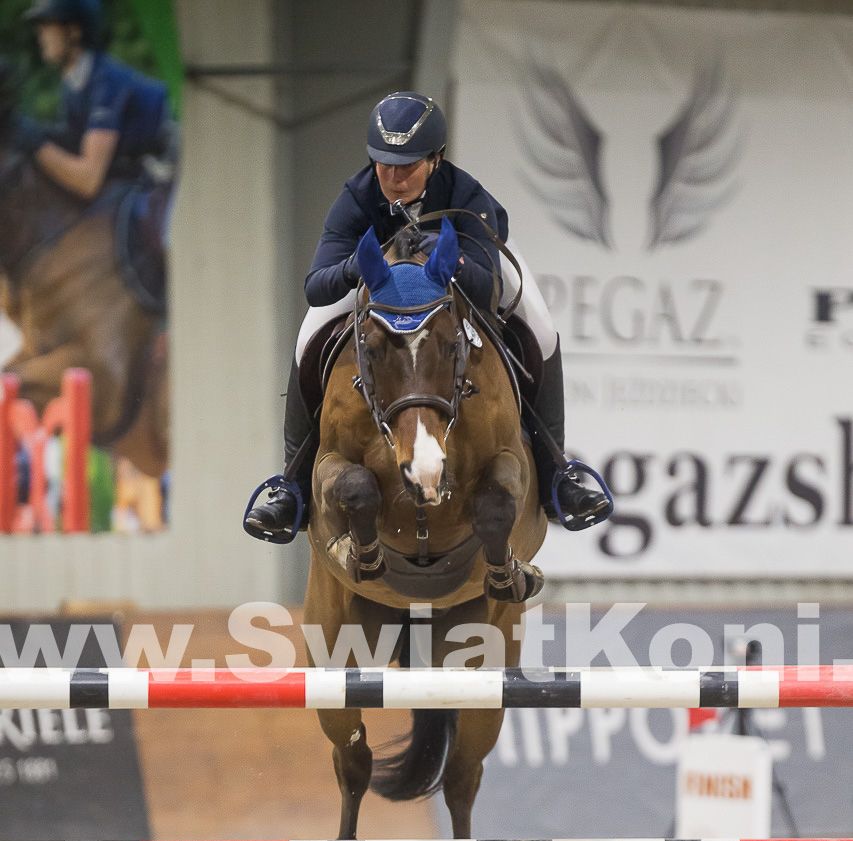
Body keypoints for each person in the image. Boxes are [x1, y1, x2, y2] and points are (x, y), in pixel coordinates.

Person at [246, 90, 610, 539]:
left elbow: (489, 288)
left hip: (464, 268)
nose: (394, 178)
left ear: (435, 159)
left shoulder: (467, 196)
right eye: (384, 165)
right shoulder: (356, 198)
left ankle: (558, 475)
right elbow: (316, 286)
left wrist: (454, 259)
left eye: (408, 166)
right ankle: (292, 486)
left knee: (543, 329)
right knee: (309, 335)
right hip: (380, 281)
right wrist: (352, 268)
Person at [14, 0, 174, 201]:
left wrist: (35, 143)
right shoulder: (75, 82)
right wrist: (31, 131)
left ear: (74, 31)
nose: (40, 34)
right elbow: (75, 140)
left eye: (47, 25)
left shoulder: (106, 82)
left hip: (180, 161)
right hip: (146, 168)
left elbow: (88, 181)